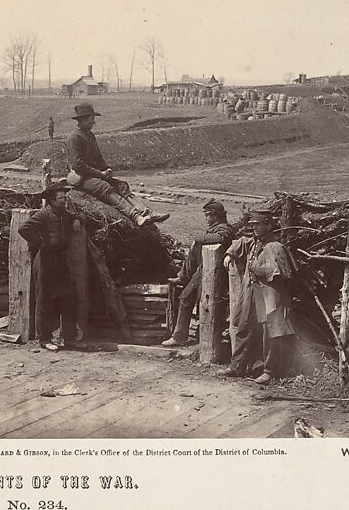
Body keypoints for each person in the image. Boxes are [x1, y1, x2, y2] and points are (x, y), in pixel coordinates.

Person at [221, 210, 298, 384]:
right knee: (244, 326)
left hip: (269, 294)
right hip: (252, 292)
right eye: (253, 225)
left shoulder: (274, 246)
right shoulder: (254, 242)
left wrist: (256, 267)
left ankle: (269, 371)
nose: (254, 228)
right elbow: (241, 241)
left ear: (269, 226)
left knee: (270, 333)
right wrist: (229, 254)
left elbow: (282, 273)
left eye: (258, 225)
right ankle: (236, 367)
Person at [65, 103, 169, 228]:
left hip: (96, 174)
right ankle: (136, 217)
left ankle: (147, 212)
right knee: (105, 188)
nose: (94, 122)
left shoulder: (90, 135)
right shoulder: (74, 138)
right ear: (83, 120)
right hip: (83, 177)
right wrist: (100, 174)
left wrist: (106, 168)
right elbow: (78, 165)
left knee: (122, 186)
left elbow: (98, 157)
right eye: (92, 119)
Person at [162, 200, 235, 347]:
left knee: (187, 297)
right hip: (204, 269)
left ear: (216, 216)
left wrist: (198, 238)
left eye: (208, 215)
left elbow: (222, 238)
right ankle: (182, 277)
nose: (206, 218)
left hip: (213, 271)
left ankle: (180, 337)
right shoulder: (215, 228)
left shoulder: (224, 229)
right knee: (192, 298)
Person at [17, 182, 80, 352]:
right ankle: (44, 339)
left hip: (61, 260)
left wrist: (76, 219)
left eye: (65, 197)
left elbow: (77, 215)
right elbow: (23, 228)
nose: (65, 200)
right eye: (61, 198)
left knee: (67, 298)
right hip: (45, 261)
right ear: (52, 200)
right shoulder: (43, 215)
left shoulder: (64, 213)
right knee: (44, 300)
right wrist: (41, 243)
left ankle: (70, 338)